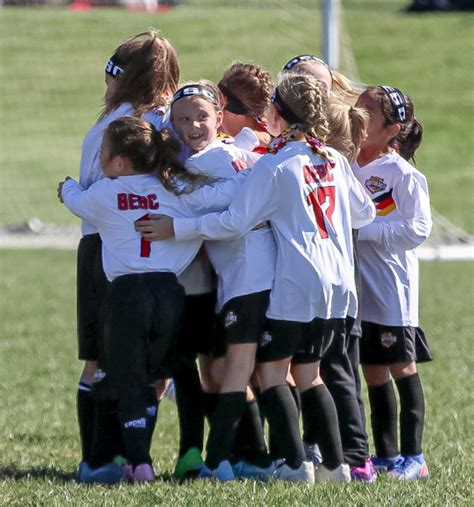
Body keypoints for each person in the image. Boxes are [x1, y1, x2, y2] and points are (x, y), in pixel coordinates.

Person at [146, 73, 376, 483]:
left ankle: (280, 464)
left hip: (288, 279)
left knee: (263, 372)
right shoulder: (332, 158)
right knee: (308, 373)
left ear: (277, 112)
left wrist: (176, 226)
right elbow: (365, 213)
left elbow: (235, 220)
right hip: (340, 282)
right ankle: (334, 465)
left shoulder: (274, 163)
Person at [58, 116, 249, 483]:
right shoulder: (175, 190)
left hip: (126, 294)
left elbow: (75, 200)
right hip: (170, 294)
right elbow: (219, 198)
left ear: (120, 162)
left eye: (103, 152)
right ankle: (159, 456)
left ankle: (139, 461)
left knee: (129, 376)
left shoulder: (105, 193)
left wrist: (65, 186)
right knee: (160, 373)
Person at [73, 30, 180, 480]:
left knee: (100, 359)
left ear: (120, 77)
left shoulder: (114, 126)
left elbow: (90, 190)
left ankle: (100, 459)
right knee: (150, 366)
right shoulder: (170, 122)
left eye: (109, 79)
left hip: (105, 248)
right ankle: (133, 457)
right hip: (161, 253)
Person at [171, 81, 276, 481]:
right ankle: (256, 456)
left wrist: (170, 219)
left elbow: (196, 203)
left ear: (219, 116)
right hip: (239, 278)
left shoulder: (204, 164)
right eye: (183, 120)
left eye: (201, 116)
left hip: (247, 276)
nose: (193, 126)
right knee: (229, 371)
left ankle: (239, 461)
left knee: (240, 370)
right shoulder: (235, 153)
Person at [282, 55, 376, 482]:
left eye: (315, 84)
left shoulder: (330, 146)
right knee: (308, 366)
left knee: (337, 367)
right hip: (315, 275)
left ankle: (354, 455)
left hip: (332, 274)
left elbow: (364, 211)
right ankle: (318, 449)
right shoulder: (301, 148)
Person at [353, 85, 433, 480]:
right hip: (357, 289)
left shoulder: (401, 174)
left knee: (402, 366)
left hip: (391, 289)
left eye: (367, 111)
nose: (357, 114)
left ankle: (414, 457)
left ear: (392, 129)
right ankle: (386, 454)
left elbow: (418, 228)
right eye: (358, 106)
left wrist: (367, 233)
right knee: (372, 370)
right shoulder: (345, 162)